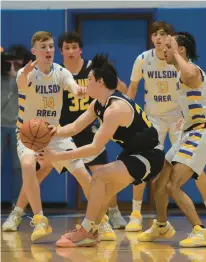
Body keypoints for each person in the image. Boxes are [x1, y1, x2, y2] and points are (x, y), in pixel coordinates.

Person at [36, 54, 165, 247]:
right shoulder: (98, 104)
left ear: (100, 81)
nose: (86, 84)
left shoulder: (115, 109)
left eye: (89, 80)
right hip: (133, 154)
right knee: (103, 192)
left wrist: (57, 156)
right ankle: (93, 231)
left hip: (150, 156)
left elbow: (95, 147)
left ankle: (86, 231)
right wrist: (51, 132)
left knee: (99, 175)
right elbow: (73, 127)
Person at [2, 31, 92, 242]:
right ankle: (40, 219)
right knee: (28, 165)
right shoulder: (27, 72)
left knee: (83, 173)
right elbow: (22, 83)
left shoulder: (61, 72)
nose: (49, 50)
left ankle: (100, 221)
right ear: (34, 51)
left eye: (51, 46)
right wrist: (24, 73)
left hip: (54, 133)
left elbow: (73, 87)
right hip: (29, 132)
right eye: (44, 47)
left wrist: (83, 90)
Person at [126, 21, 206, 232]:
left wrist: (176, 53)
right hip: (185, 132)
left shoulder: (191, 70)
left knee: (173, 185)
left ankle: (199, 230)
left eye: (169, 46)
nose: (164, 50)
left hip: (199, 132)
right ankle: (161, 225)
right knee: (158, 184)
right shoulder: (160, 65)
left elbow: (190, 75)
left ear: (181, 50)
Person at [58, 32, 127, 233]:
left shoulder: (92, 69)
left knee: (101, 173)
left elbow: (120, 89)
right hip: (66, 130)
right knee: (39, 169)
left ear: (80, 49)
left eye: (74, 47)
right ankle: (22, 212)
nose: (70, 51)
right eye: (66, 48)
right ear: (61, 51)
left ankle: (113, 212)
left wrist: (110, 77)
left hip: (89, 128)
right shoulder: (58, 72)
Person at [1, 45, 33, 202]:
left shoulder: (25, 78)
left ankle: (17, 203)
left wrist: (17, 75)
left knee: (18, 167)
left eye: (17, 63)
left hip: (18, 126)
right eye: (9, 63)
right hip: (0, 124)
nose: (12, 67)